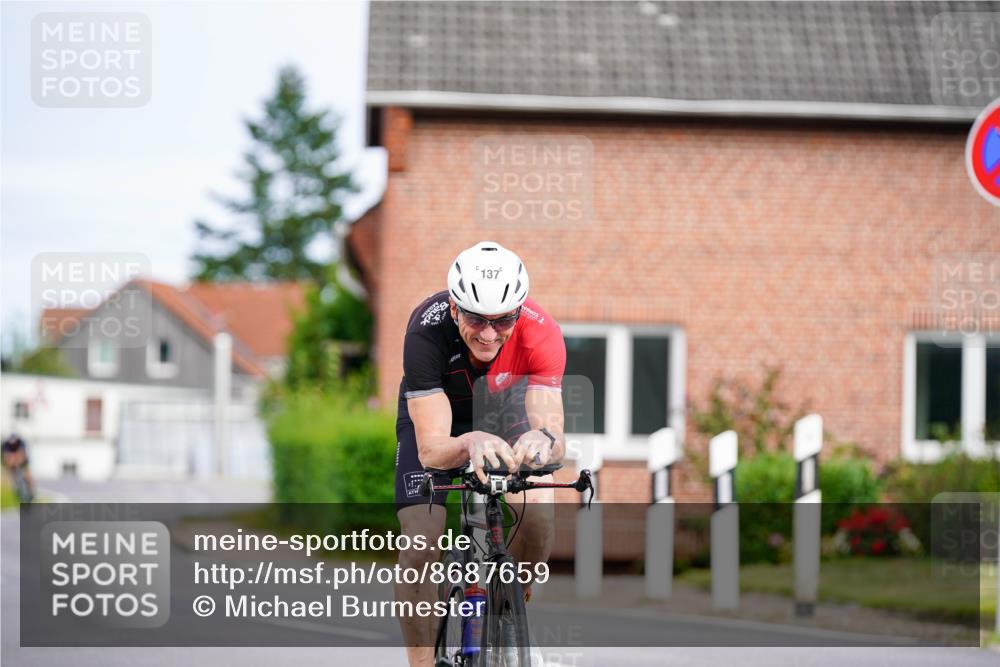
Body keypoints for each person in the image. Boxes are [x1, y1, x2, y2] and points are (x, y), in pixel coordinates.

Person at [394, 241, 566, 667]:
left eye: (503, 319)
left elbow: (554, 434)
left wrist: (542, 440)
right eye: (475, 318)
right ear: (455, 309)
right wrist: (470, 441)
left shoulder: (542, 332)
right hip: (440, 416)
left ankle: (510, 611)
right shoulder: (425, 331)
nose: (489, 333)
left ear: (519, 311)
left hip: (506, 409)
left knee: (541, 518)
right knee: (420, 543)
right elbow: (432, 449)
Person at [2, 433, 35, 501]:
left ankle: (31, 490)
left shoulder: (21, 443)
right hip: (12, 462)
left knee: (27, 474)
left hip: (23, 461)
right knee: (11, 472)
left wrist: (19, 462)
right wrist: (10, 465)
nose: (13, 445)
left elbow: (23, 455)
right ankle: (17, 488)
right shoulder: (6, 445)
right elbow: (6, 457)